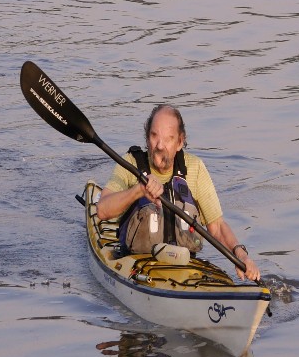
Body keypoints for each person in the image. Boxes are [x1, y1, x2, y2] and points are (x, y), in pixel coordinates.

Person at [97, 104, 261, 282]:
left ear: (180, 142)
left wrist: (241, 255)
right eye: (154, 136)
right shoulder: (131, 164)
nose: (159, 145)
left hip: (184, 266)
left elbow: (217, 226)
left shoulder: (194, 169)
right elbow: (102, 210)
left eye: (168, 139)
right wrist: (138, 190)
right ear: (147, 138)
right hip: (137, 264)